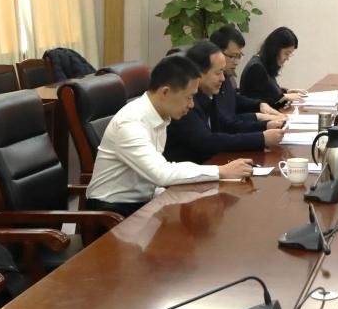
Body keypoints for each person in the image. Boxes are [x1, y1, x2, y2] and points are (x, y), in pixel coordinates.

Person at [84, 53, 254, 216]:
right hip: (112, 214)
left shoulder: (160, 115)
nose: (191, 105)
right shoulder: (130, 123)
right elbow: (161, 174)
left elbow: (154, 180)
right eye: (189, 97)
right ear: (165, 92)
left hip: (143, 204)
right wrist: (221, 171)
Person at [167, 40, 282, 162]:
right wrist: (261, 138)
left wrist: (265, 126)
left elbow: (226, 126)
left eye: (223, 72)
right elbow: (206, 141)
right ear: (198, 72)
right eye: (218, 73)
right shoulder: (185, 102)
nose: (222, 78)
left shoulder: (208, 94)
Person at [210, 25, 289, 133]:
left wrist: (259, 105)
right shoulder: (211, 83)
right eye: (233, 56)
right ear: (216, 53)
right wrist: (262, 122)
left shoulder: (225, 76)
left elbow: (232, 98)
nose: (236, 62)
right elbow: (225, 124)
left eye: (239, 56)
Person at [240, 26, 305, 107]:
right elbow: (261, 102)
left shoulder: (263, 64)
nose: (287, 58)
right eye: (286, 53)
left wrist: (287, 92)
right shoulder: (256, 67)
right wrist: (284, 97)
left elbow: (269, 92)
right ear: (275, 49)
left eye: (290, 54)